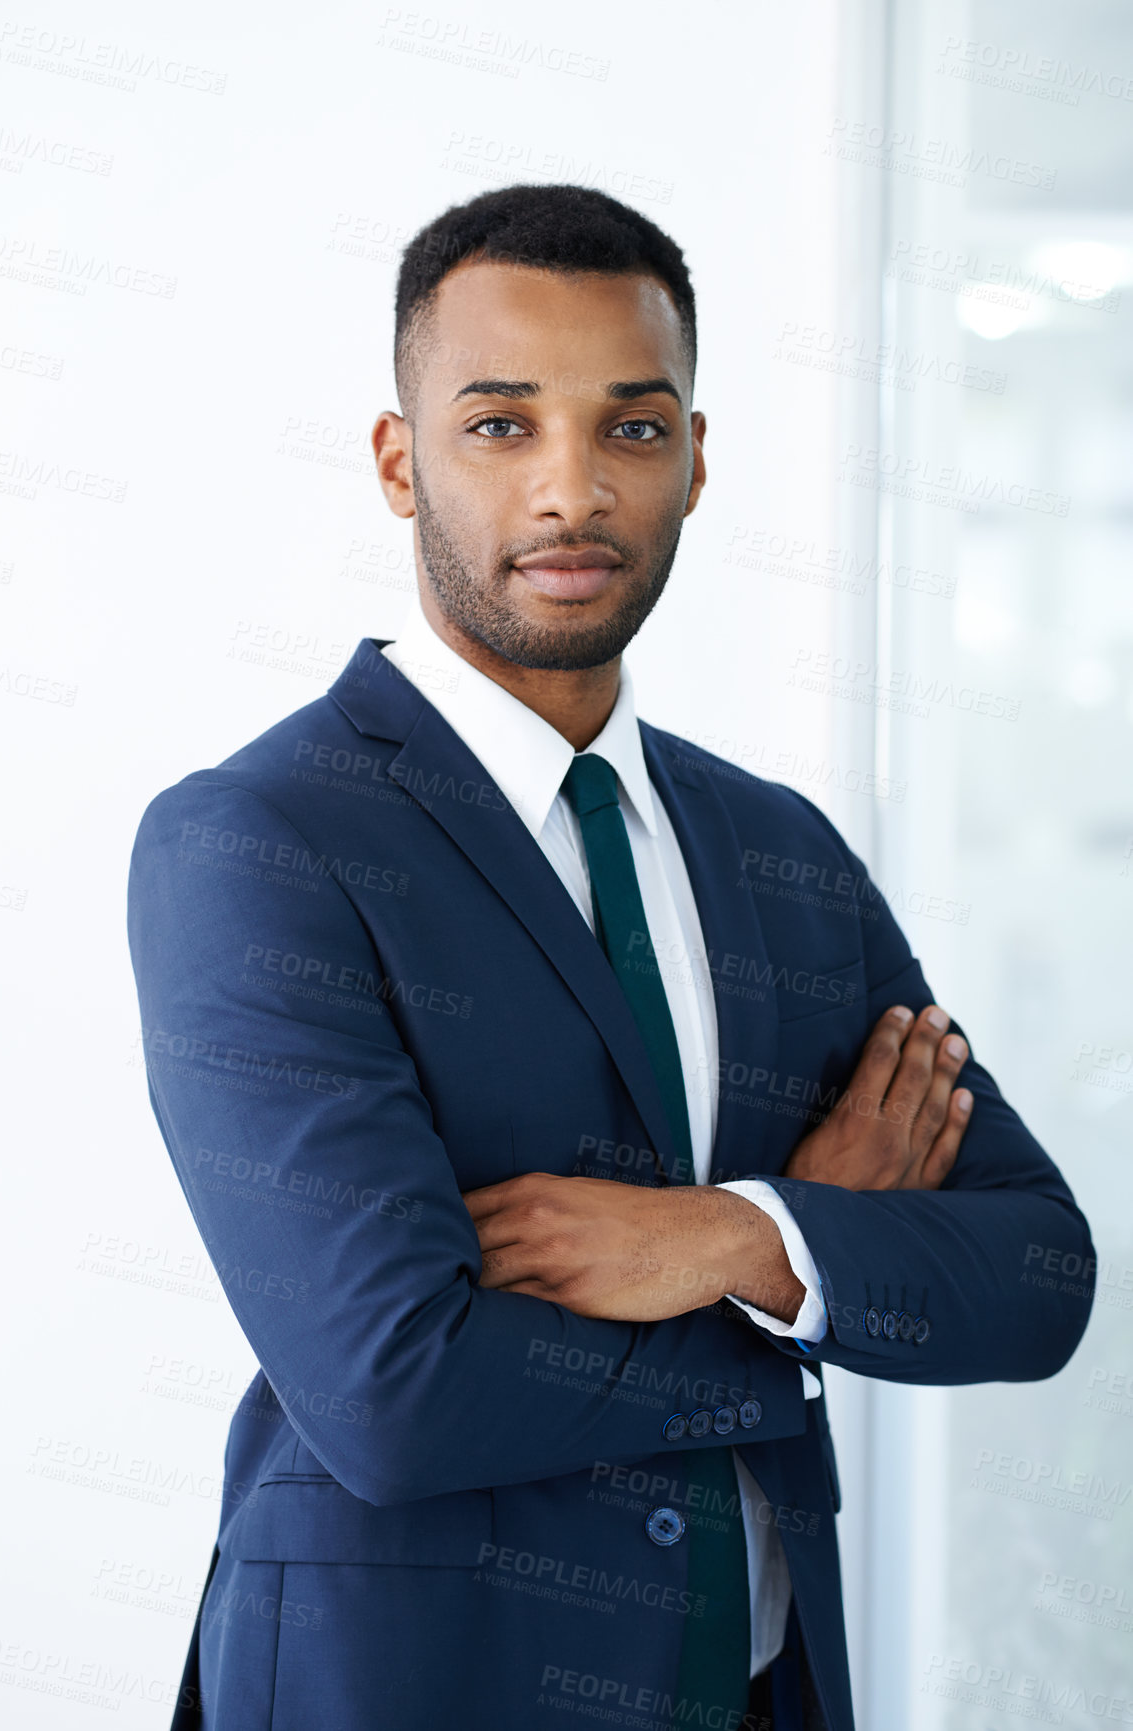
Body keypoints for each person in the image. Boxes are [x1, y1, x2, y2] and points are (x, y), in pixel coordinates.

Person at [127, 184, 1094, 1731]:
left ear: (697, 462)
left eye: (632, 429)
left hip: (765, 1688)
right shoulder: (257, 842)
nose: (571, 490)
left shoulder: (777, 848)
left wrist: (729, 1236)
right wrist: (809, 1274)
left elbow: (1040, 1275)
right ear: (400, 461)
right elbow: (395, 1393)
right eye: (501, 426)